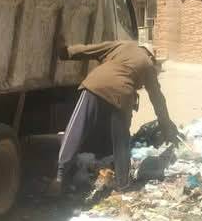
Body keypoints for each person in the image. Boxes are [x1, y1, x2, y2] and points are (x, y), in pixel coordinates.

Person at [51, 38, 177, 193]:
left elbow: (91, 49)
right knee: (121, 141)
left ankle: (59, 176)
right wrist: (166, 126)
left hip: (95, 85)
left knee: (76, 129)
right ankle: (123, 184)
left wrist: (66, 52)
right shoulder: (148, 64)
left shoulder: (122, 45)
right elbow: (157, 98)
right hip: (122, 95)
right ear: (151, 56)